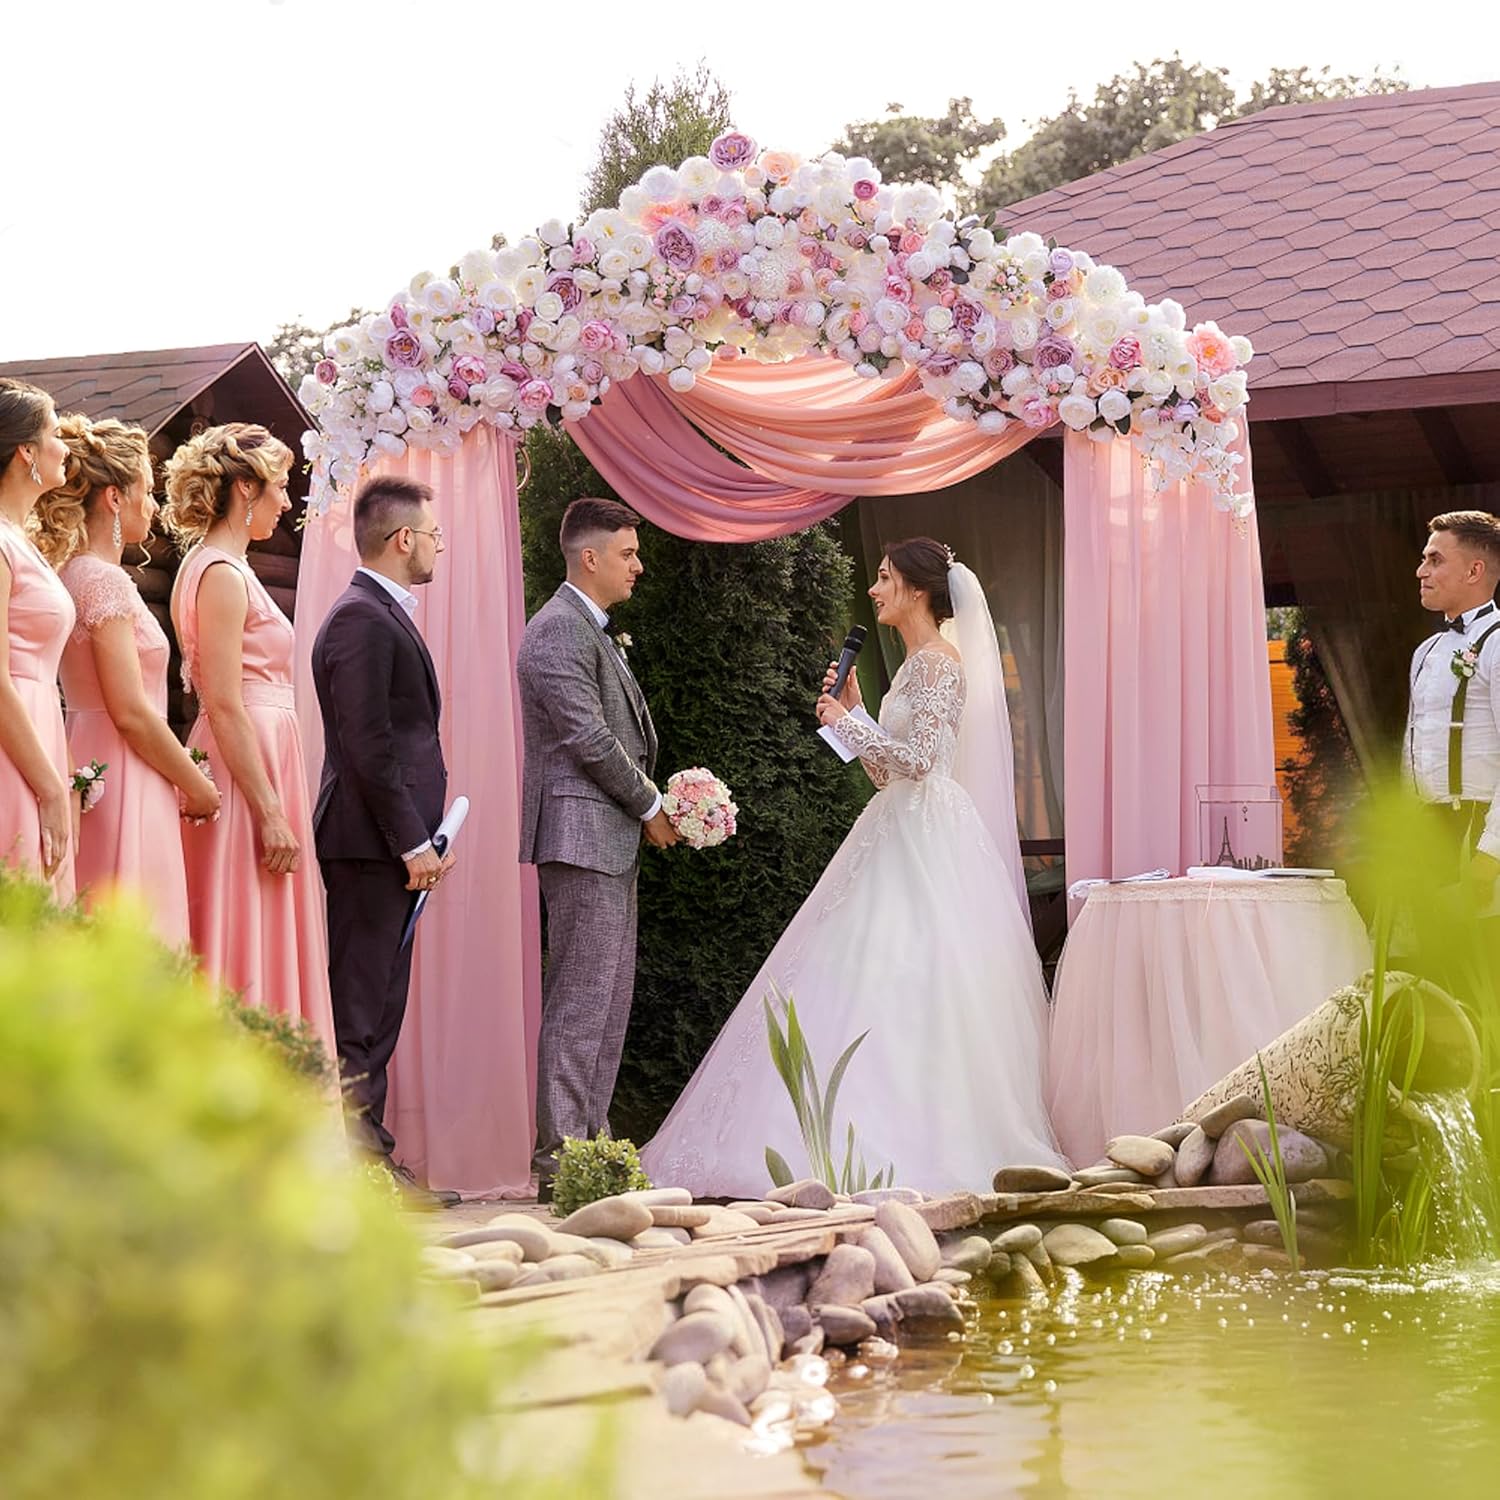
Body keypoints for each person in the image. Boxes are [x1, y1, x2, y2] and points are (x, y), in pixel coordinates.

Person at [641, 538, 1066, 1197]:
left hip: (927, 840)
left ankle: (915, 1142)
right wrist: (856, 715)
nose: (874, 589)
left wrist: (851, 721)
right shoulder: (911, 667)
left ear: (917, 590)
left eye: (885, 578)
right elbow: (883, 774)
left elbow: (920, 761)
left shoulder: (940, 662)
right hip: (895, 824)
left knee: (915, 976)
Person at [516, 497, 678, 1198]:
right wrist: (651, 804)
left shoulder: (590, 628)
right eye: (628, 553)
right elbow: (587, 737)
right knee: (581, 1001)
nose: (638, 566)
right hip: (582, 836)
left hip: (606, 838)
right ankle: (560, 1160)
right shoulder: (557, 630)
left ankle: (592, 1150)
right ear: (589, 557)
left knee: (607, 1005)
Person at [163, 423, 335, 1057]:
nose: (286, 502)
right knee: (243, 919)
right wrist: (269, 811)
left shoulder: (225, 568)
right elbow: (223, 702)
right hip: (245, 767)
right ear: (245, 489)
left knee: (262, 918)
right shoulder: (219, 574)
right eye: (280, 487)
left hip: (260, 756)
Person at [310, 476, 456, 1204]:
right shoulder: (360, 619)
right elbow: (368, 745)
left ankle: (374, 1160)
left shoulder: (379, 612)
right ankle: (360, 1172)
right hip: (369, 844)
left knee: (381, 1007)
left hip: (387, 843)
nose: (437, 546)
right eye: (433, 534)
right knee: (361, 1009)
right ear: (403, 539)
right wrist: (410, 842)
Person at [36, 414, 220, 941]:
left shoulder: (69, 574)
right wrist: (197, 786)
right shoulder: (105, 580)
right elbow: (131, 711)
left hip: (87, 758)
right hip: (125, 769)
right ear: (115, 497)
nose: (154, 506)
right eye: (147, 490)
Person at [0, 378, 76, 900]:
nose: (64, 447)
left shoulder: (20, 540)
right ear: (26, 451)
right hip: (13, 744)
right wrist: (48, 787)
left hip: (38, 726)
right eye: (54, 433)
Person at [1406, 511, 1500, 899]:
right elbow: (1411, 752)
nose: (1421, 572)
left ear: (1474, 571)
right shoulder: (1426, 651)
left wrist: (1491, 854)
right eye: (1424, 559)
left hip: (1480, 832)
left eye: (1435, 560)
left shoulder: (1497, 642)